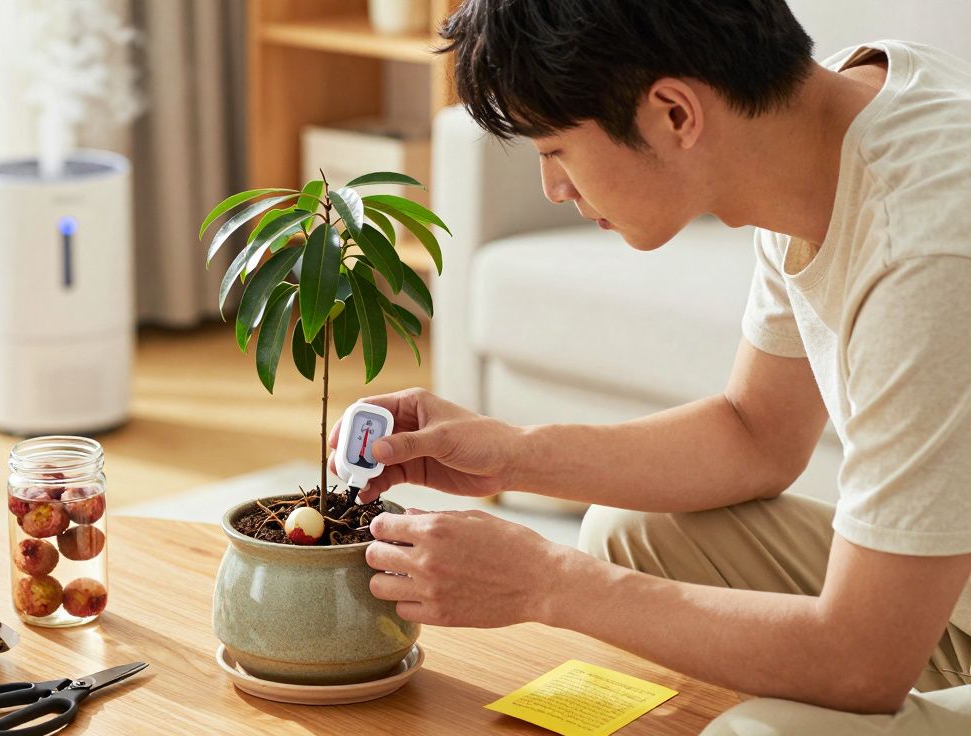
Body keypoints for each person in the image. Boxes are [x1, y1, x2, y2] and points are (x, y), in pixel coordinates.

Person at [327, 1, 971, 732]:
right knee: (631, 537)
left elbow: (863, 663)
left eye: (557, 151)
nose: (554, 189)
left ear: (674, 114)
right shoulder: (824, 128)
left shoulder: (926, 251)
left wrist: (546, 584)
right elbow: (756, 433)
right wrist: (510, 455)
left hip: (893, 638)